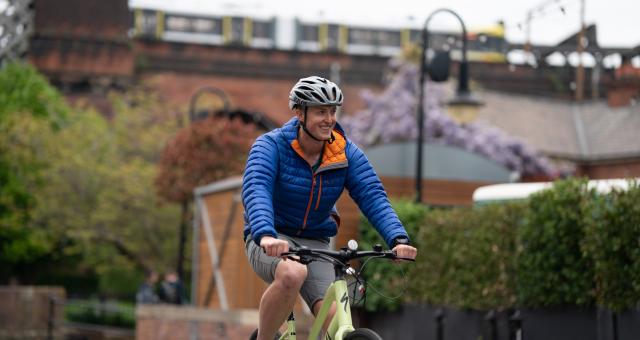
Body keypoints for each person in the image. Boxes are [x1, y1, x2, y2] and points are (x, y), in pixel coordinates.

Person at [242, 76, 418, 340]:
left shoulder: (345, 153)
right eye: (320, 111)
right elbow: (257, 187)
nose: (329, 119)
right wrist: (266, 234)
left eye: (332, 111)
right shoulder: (270, 146)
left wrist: (398, 238)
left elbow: (372, 195)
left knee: (338, 321)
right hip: (271, 237)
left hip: (316, 243)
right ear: (300, 113)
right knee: (292, 272)